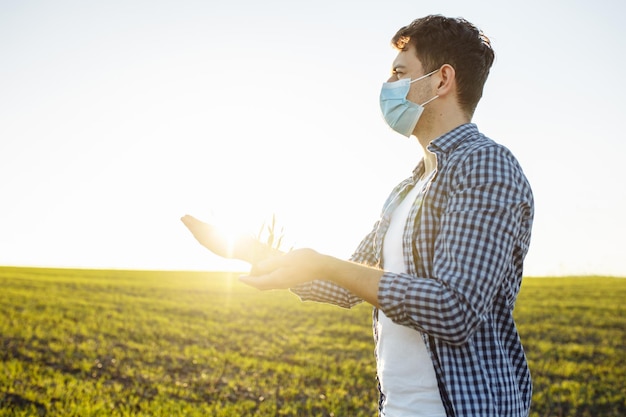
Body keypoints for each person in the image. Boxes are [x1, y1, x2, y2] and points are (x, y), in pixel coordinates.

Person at [181, 14, 534, 417]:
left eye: (400, 73)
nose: (388, 88)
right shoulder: (409, 187)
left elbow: (454, 309)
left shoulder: (485, 165)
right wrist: (256, 252)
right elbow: (351, 281)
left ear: (441, 80)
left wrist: (324, 264)